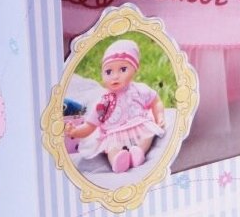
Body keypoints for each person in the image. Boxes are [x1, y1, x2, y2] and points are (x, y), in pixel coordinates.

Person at [65, 39, 165, 173]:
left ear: (134, 69)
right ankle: (118, 160)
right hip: (114, 134)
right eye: (108, 72)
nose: (115, 76)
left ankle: (139, 152)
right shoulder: (104, 102)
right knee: (112, 147)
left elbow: (156, 101)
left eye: (123, 69)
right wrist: (76, 132)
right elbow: (90, 125)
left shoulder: (139, 90)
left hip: (138, 126)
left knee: (147, 134)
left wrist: (159, 116)